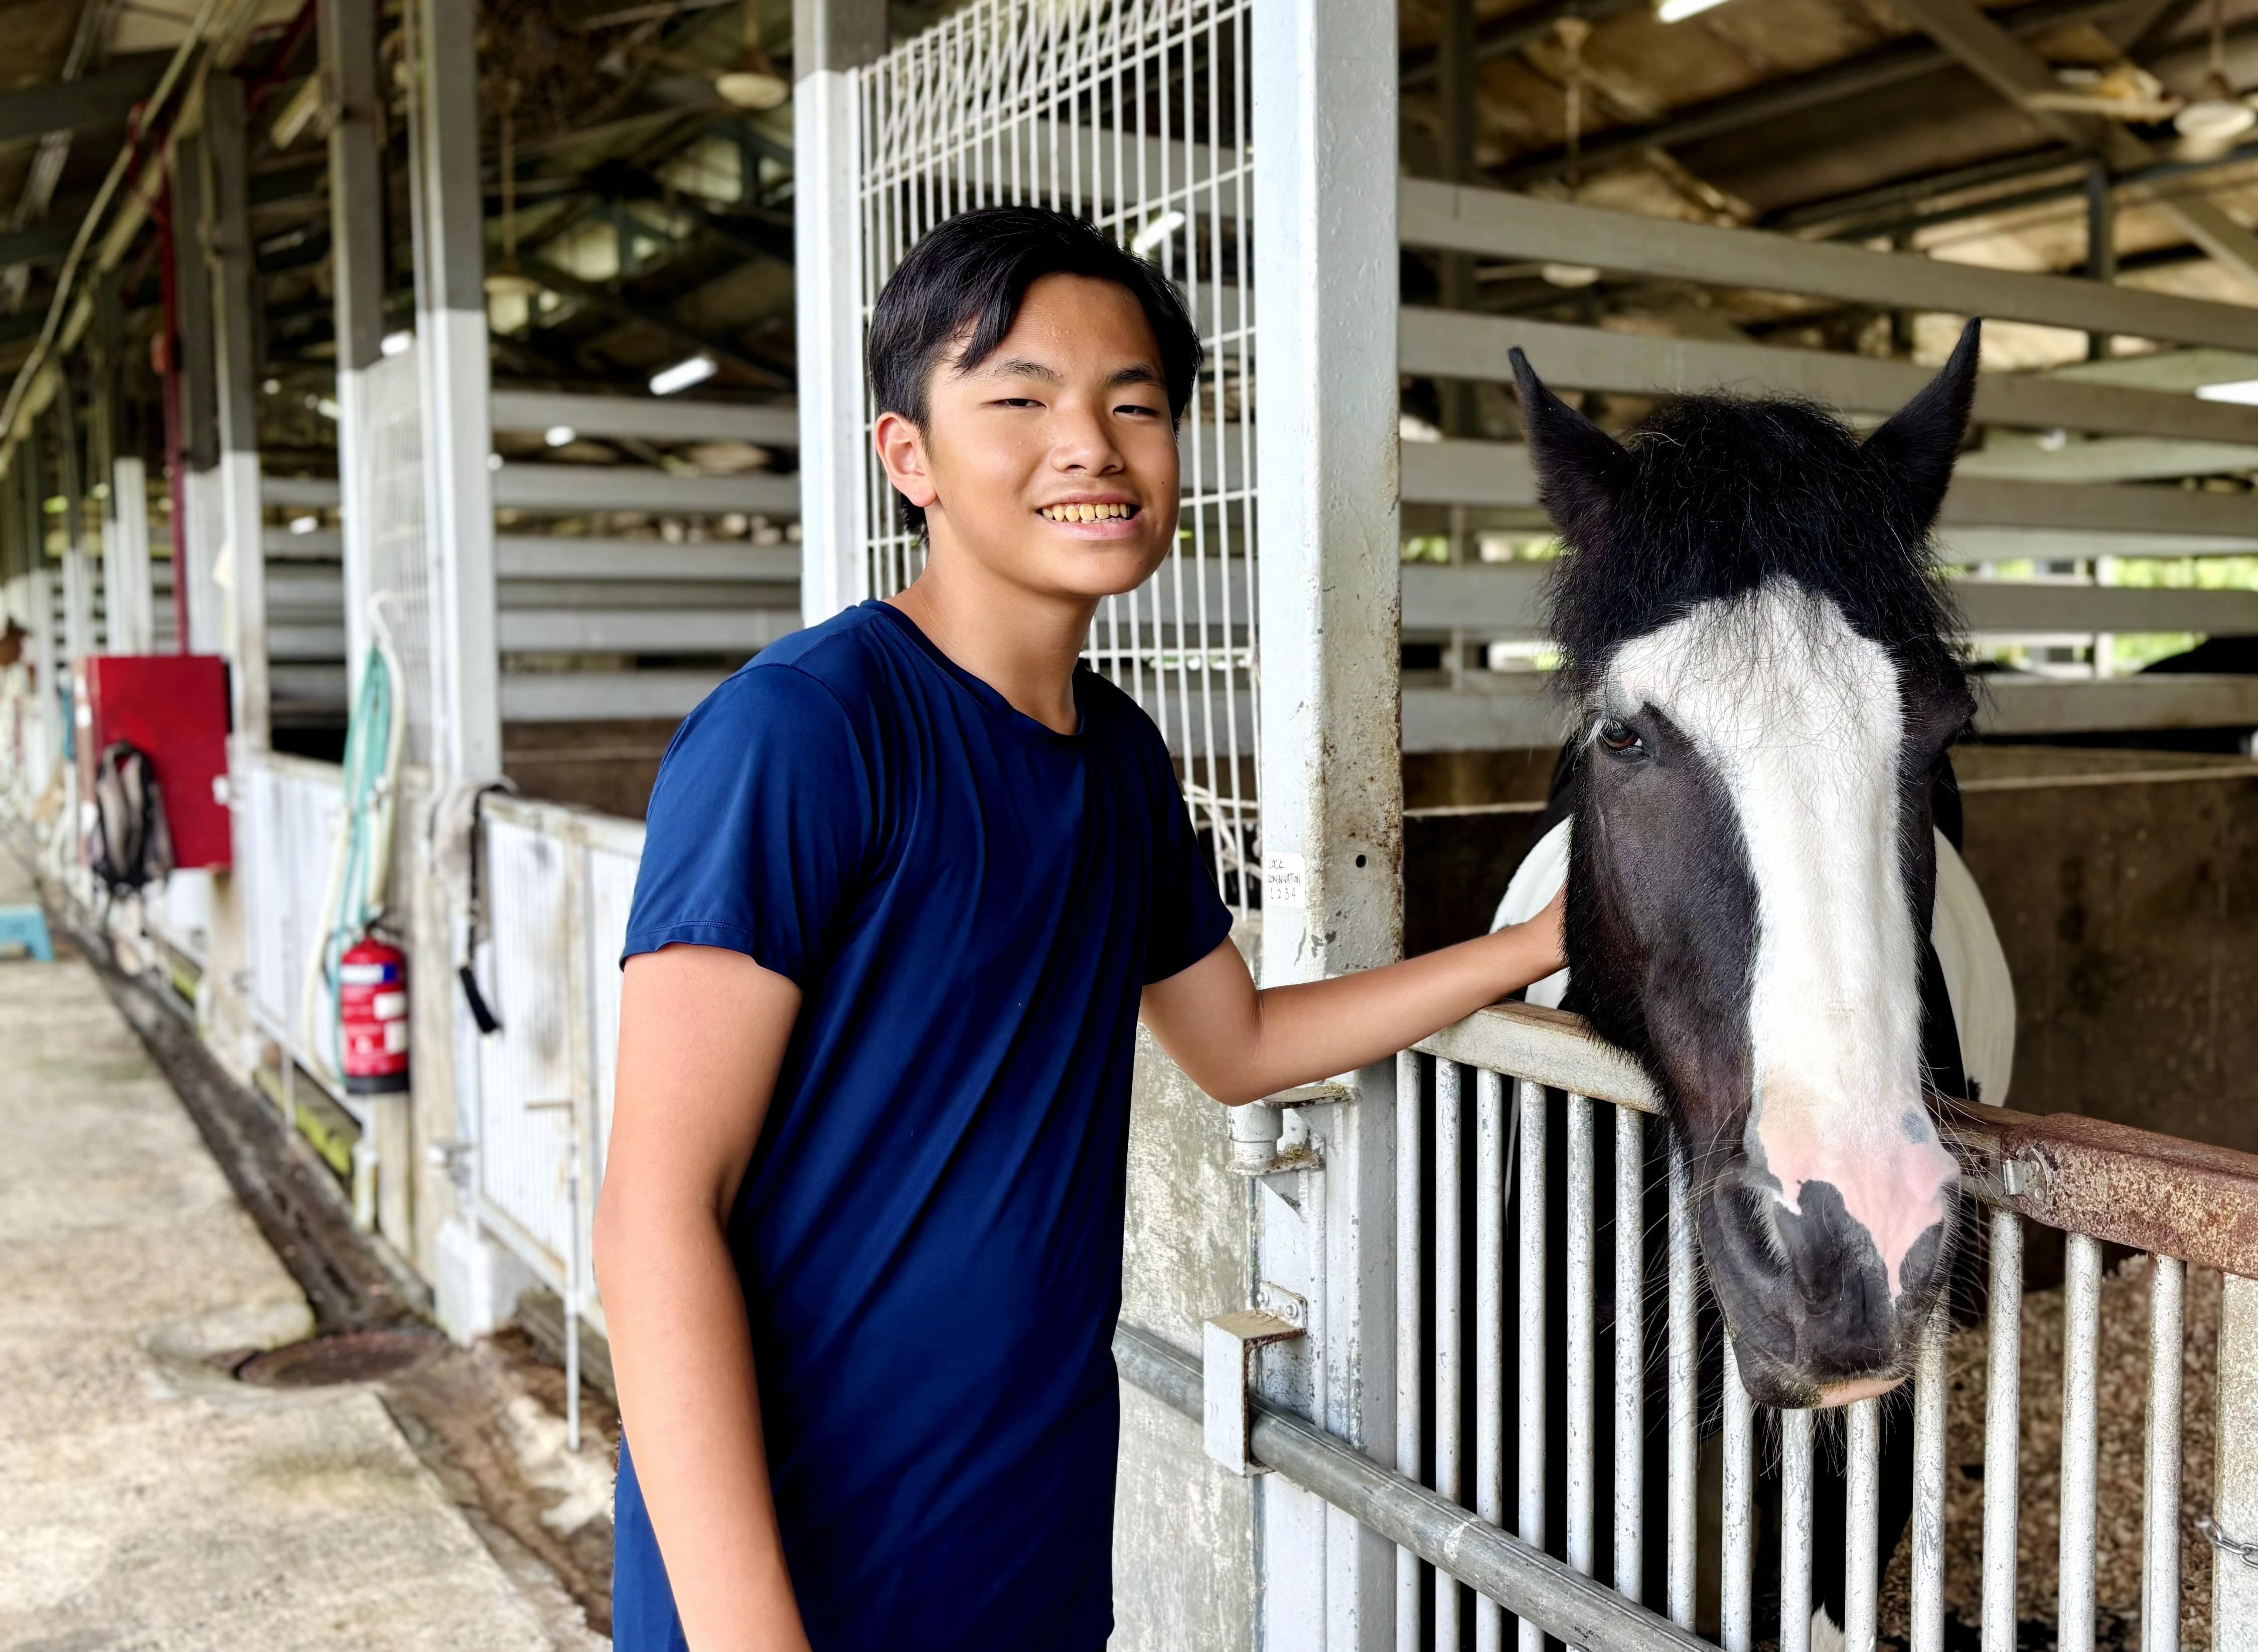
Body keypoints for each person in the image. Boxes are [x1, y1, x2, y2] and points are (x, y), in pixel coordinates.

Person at [591, 205, 1566, 1651]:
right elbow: (654, 1218)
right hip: (794, 1576)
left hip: (1024, 1554)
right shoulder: (804, 735)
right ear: (907, 456)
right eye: (1022, 400)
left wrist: (1538, 944)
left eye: (1135, 406)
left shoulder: (1116, 758)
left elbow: (1234, 1044)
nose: (1092, 447)